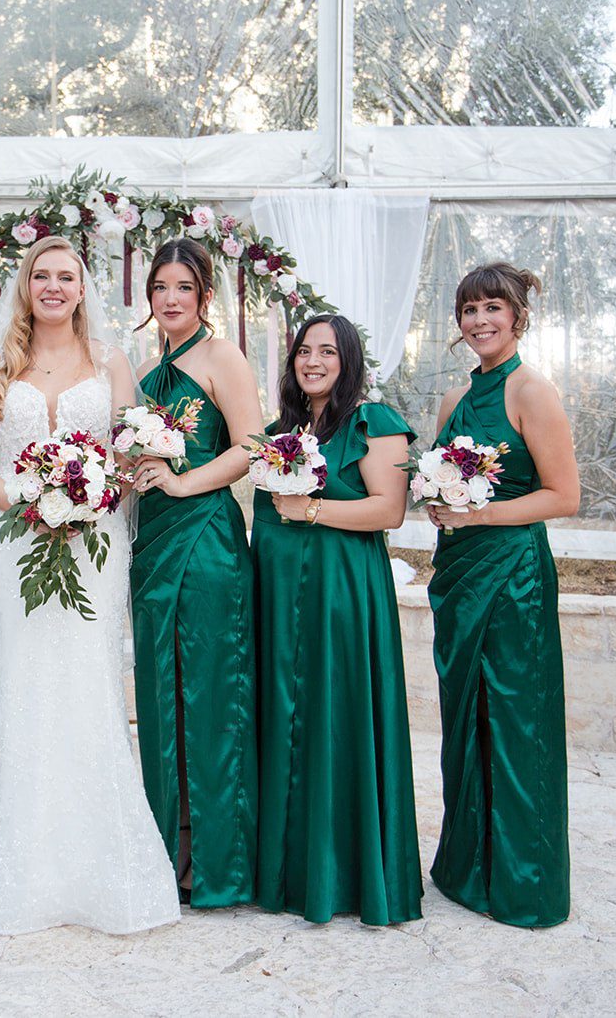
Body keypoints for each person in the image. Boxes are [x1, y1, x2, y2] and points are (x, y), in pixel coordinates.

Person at [0, 235, 179, 935]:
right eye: (41, 275)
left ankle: (101, 869)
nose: (53, 286)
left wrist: (85, 501)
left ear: (84, 289)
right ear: (24, 286)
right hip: (19, 541)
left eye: (66, 276)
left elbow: (127, 453)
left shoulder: (110, 362)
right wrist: (26, 503)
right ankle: (23, 872)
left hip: (93, 542)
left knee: (88, 684)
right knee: (22, 684)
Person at [252, 313, 422, 925]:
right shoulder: (280, 431)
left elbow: (389, 510)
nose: (313, 361)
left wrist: (312, 511)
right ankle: (290, 871)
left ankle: (348, 875)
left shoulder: (375, 423)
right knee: (290, 723)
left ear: (348, 359)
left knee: (340, 718)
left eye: (327, 351)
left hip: (344, 595)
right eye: (303, 351)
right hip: (283, 596)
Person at [427, 262, 580, 928]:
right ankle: (470, 867)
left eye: (494, 307)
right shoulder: (452, 400)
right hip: (460, 574)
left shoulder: (532, 391)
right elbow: (443, 485)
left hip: (512, 575)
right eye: (470, 309)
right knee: (466, 717)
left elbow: (565, 495)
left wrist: (479, 516)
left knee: (516, 722)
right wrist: (440, 505)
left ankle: (526, 881)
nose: (481, 319)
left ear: (518, 316)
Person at [129, 237, 262, 906]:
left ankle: (218, 862)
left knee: (210, 695)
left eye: (184, 287)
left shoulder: (221, 356)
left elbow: (252, 444)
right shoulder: (149, 373)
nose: (172, 299)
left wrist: (184, 486)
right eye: (161, 287)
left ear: (205, 294)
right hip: (151, 542)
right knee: (162, 698)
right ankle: (167, 849)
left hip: (205, 539)